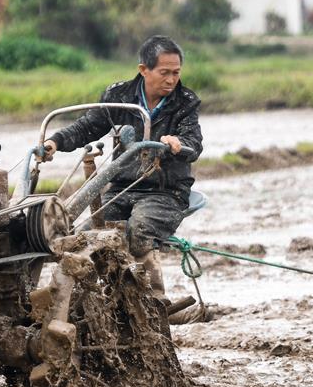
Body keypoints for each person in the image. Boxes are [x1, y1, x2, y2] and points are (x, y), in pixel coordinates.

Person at [43, 35, 203, 301]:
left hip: (166, 192)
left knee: (139, 230)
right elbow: (87, 127)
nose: (171, 79)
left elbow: (194, 143)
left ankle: (154, 303)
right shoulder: (119, 97)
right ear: (144, 69)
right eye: (164, 72)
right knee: (85, 237)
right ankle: (78, 300)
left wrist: (178, 143)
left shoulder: (184, 102)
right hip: (121, 188)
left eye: (176, 73)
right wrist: (55, 142)